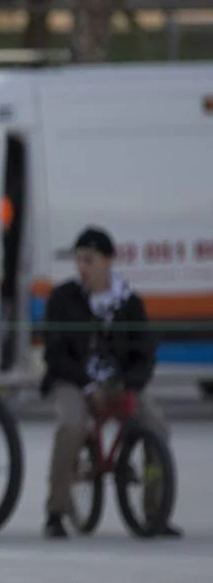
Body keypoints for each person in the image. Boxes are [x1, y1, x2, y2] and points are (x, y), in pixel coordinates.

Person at [40, 226, 180, 539]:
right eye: (78, 260)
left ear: (108, 261)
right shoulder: (63, 298)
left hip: (118, 381)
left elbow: (144, 352)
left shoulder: (129, 302)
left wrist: (131, 385)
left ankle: (155, 510)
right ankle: (56, 510)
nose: (82, 267)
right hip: (74, 379)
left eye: (89, 260)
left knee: (156, 426)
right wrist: (86, 384)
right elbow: (54, 351)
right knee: (71, 426)